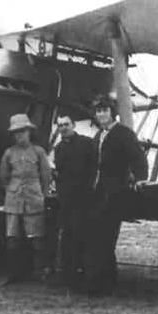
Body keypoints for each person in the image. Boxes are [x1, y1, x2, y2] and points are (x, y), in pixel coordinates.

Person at [83, 96, 148, 296]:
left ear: (112, 112)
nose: (101, 115)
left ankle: (102, 284)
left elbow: (138, 157)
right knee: (96, 237)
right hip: (97, 193)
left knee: (106, 237)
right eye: (98, 111)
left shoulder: (123, 134)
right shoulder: (99, 136)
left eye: (105, 111)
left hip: (115, 193)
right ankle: (104, 281)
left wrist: (141, 178)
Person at [0, 113, 51, 284]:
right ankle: (14, 273)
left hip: (34, 198)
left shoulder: (39, 152)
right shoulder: (9, 153)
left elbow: (45, 176)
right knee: (12, 238)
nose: (19, 135)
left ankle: (38, 272)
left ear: (29, 131)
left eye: (22, 131)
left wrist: (40, 194)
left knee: (36, 237)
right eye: (16, 132)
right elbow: (4, 177)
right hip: (14, 199)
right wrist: (12, 190)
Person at [52, 114, 96, 287]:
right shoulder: (59, 148)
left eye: (66, 124)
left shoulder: (86, 143)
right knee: (67, 234)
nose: (63, 128)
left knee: (83, 234)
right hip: (66, 199)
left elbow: (93, 168)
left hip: (84, 197)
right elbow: (60, 173)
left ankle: (83, 271)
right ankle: (68, 272)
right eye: (60, 125)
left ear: (74, 124)